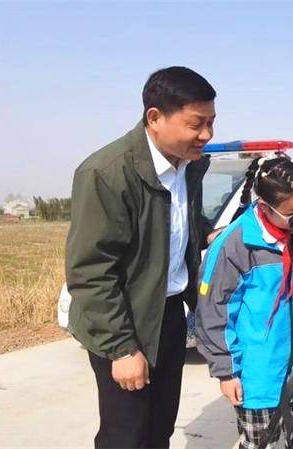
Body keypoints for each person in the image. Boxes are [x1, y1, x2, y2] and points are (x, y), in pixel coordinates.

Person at [66, 66, 216, 449]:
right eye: (196, 124)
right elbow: (91, 272)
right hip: (124, 319)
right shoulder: (106, 173)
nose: (207, 135)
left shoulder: (191, 166)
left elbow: (175, 221)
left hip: (169, 314)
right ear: (155, 117)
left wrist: (208, 234)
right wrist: (122, 349)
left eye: (211, 122)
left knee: (159, 429)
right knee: (125, 436)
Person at [195, 156, 293, 449]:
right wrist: (226, 371)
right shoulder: (235, 245)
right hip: (257, 375)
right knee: (259, 443)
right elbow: (213, 312)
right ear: (265, 207)